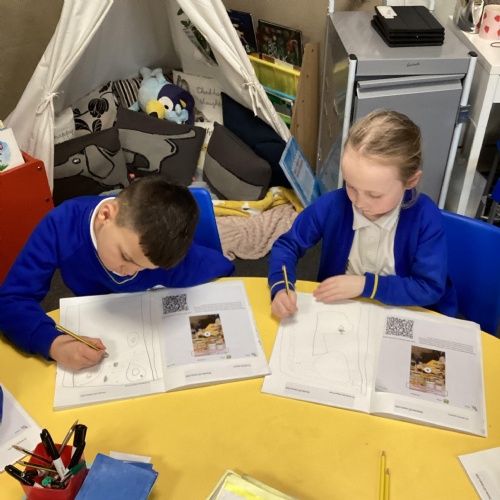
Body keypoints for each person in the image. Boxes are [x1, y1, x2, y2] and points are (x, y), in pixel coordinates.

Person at [0, 176, 234, 370]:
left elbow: (224, 274)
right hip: (101, 330)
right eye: (125, 257)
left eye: (145, 268)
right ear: (105, 215)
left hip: (152, 330)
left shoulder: (170, 256)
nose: (129, 273)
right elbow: (11, 299)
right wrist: (53, 343)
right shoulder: (61, 225)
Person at [268, 109, 457, 319]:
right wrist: (281, 287)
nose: (358, 203)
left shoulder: (424, 217)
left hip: (405, 314)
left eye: (374, 195)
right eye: (351, 186)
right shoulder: (334, 204)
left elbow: (429, 287)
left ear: (410, 181)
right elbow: (288, 245)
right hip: (344, 314)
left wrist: (366, 285)